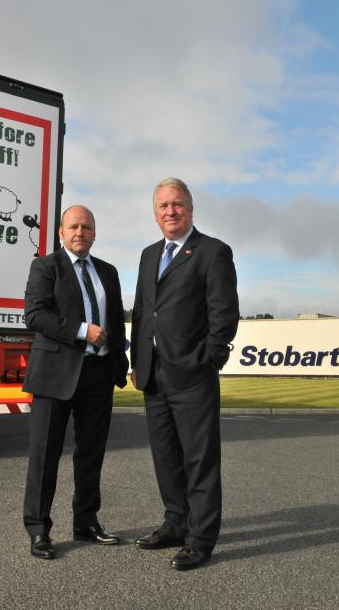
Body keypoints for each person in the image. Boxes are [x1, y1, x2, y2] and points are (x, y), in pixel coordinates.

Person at [130, 178, 239, 570]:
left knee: (199, 460)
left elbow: (224, 313)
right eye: (163, 206)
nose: (170, 211)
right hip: (154, 375)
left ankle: (201, 538)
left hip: (192, 374)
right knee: (166, 458)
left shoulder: (213, 252)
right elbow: (144, 312)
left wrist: (209, 357)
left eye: (177, 204)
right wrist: (136, 360)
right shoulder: (147, 255)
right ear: (155, 214)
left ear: (190, 209)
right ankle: (176, 523)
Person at [22, 205, 129, 560]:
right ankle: (39, 530)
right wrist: (84, 332)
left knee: (91, 454)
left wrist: (120, 361)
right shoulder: (46, 267)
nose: (79, 232)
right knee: (45, 455)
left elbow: (116, 319)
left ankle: (86, 523)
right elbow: (35, 315)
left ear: (94, 233)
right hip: (55, 375)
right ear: (61, 233)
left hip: (97, 375)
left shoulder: (109, 273)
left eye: (86, 227)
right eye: (73, 226)